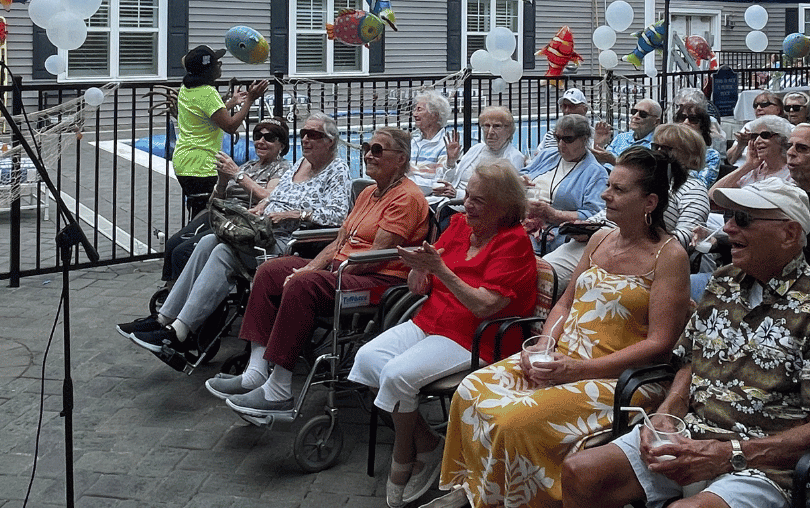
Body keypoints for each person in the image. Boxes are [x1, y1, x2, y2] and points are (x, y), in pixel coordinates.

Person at [438, 147, 691, 508]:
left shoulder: (669, 256)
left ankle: (521, 500)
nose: (605, 194)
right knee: (470, 390)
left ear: (649, 202)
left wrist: (578, 370)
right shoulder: (601, 239)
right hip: (563, 358)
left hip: (618, 377)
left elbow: (660, 343)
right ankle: (480, 489)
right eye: (608, 185)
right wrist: (544, 346)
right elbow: (566, 303)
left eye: (619, 190)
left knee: (514, 421)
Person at [562, 177, 810, 508]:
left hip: (766, 462)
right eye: (729, 216)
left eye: (743, 219)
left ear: (789, 233)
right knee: (581, 472)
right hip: (691, 435)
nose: (728, 228)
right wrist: (666, 414)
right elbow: (690, 360)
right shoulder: (723, 282)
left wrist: (729, 453)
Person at [206, 127, 430, 417]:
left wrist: (317, 275)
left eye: (377, 150)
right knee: (271, 271)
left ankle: (278, 391)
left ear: (400, 158)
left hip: (378, 282)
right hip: (346, 270)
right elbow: (340, 241)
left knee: (304, 285)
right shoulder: (368, 193)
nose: (368, 155)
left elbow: (373, 257)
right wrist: (309, 267)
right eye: (366, 148)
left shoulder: (406, 198)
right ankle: (255, 373)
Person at [349, 164, 537, 508]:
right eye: (467, 195)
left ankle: (403, 454)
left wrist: (440, 270)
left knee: (396, 374)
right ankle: (429, 444)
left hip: (477, 336)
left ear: (503, 206)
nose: (467, 204)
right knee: (368, 360)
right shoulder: (459, 226)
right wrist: (419, 270)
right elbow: (422, 282)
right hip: (432, 320)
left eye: (479, 200)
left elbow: (484, 305)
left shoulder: (514, 242)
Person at [118, 113, 350, 354]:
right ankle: (164, 318)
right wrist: (261, 207)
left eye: (313, 135)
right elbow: (275, 197)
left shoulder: (337, 170)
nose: (305, 139)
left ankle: (181, 331)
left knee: (223, 252)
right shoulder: (301, 164)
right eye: (303, 133)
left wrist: (293, 214)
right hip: (262, 231)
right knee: (208, 241)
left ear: (330, 141)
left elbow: (338, 215)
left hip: (291, 241)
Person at [545, 124, 711, 290]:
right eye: (656, 146)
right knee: (542, 271)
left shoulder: (693, 189)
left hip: (639, 254)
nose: (659, 152)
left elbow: (688, 236)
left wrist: (640, 242)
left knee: (547, 278)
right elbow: (607, 212)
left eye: (667, 149)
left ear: (690, 155)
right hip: (596, 240)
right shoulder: (642, 179)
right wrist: (586, 227)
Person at [156, 117, 291, 284]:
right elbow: (213, 202)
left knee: (183, 251)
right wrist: (222, 181)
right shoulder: (249, 166)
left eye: (269, 138)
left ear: (281, 145)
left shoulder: (282, 168)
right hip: (219, 214)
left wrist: (237, 175)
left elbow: (267, 196)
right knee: (172, 244)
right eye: (258, 136)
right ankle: (169, 289)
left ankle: (181, 292)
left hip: (240, 221)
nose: (261, 141)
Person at [171, 45, 268, 216]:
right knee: (207, 216)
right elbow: (230, 126)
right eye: (217, 63)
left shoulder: (187, 89)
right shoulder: (208, 93)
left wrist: (231, 103)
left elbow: (209, 114)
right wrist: (250, 100)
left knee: (197, 211)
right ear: (208, 69)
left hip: (184, 161)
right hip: (201, 165)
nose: (220, 66)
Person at [520, 113, 607, 252]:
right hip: (523, 218)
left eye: (568, 139)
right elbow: (522, 173)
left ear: (584, 139)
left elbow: (593, 215)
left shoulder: (596, 173)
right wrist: (520, 182)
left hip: (553, 233)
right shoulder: (547, 155)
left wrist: (554, 214)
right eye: (558, 138)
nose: (561, 144)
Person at [709, 114, 792, 201]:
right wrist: (748, 166)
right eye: (754, 137)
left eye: (765, 135)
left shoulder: (791, 173)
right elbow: (712, 194)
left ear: (782, 139)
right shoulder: (753, 169)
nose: (757, 141)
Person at [446, 107, 524, 194]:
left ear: (509, 131)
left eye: (497, 126)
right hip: (450, 197)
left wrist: (457, 194)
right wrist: (451, 163)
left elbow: (503, 195)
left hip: (466, 200)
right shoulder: (476, 149)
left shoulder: (514, 157)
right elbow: (450, 180)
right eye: (486, 126)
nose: (490, 132)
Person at [409, 92, 457, 193]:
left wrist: (450, 163)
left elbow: (441, 182)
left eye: (419, 110)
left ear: (435, 115)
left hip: (428, 197)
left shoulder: (445, 145)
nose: (414, 114)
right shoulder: (413, 142)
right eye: (415, 110)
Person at [591, 98, 661, 165]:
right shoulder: (621, 137)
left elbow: (642, 171)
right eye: (634, 112)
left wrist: (614, 161)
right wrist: (599, 144)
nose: (635, 116)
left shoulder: (657, 144)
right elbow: (600, 162)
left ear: (656, 121)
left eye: (643, 114)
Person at [670, 100, 723, 186]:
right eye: (682, 118)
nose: (685, 122)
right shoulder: (668, 148)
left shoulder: (711, 155)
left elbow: (702, 184)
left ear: (702, 126)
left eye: (693, 119)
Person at [728, 91, 784, 164]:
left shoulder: (787, 128)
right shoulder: (748, 126)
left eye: (764, 104)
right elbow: (730, 160)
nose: (758, 108)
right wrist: (741, 145)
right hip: (739, 168)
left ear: (778, 109)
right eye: (755, 105)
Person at [534, 88, 589, 155]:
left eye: (572, 106)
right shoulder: (550, 134)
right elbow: (537, 156)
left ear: (585, 109)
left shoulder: (593, 136)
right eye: (564, 106)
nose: (567, 110)